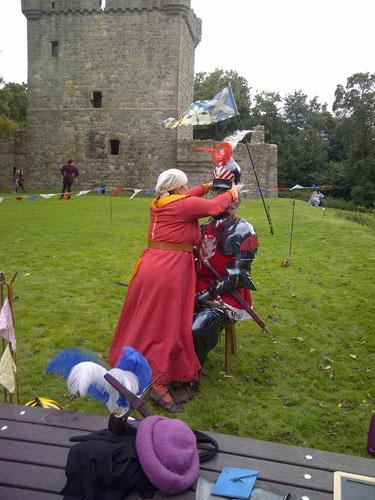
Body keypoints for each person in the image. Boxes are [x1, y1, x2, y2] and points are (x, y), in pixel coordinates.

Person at [108, 168, 241, 412]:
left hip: (152, 266)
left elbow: (188, 197)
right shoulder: (182, 205)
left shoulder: (160, 201)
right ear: (178, 189)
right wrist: (232, 192)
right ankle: (158, 385)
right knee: (164, 327)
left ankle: (132, 366)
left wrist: (207, 186)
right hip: (168, 272)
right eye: (185, 186)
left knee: (147, 321)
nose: (186, 190)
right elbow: (213, 208)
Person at [172, 156, 259, 405]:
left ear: (235, 198)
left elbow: (237, 276)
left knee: (196, 327)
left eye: (225, 192)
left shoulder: (243, 230)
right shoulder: (203, 227)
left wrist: (205, 294)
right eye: (217, 191)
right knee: (169, 316)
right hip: (198, 287)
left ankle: (191, 381)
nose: (220, 197)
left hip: (227, 296)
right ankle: (169, 368)